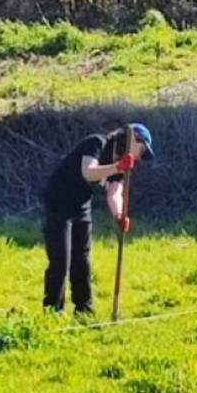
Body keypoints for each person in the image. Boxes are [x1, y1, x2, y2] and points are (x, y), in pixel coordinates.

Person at [41, 122, 154, 314]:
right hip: (58, 203)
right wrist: (117, 166)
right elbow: (89, 172)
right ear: (131, 138)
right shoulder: (96, 143)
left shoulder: (123, 165)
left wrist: (119, 215)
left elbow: (114, 193)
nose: (139, 156)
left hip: (81, 207)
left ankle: (84, 310)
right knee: (61, 260)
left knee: (82, 259)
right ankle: (53, 311)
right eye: (141, 150)